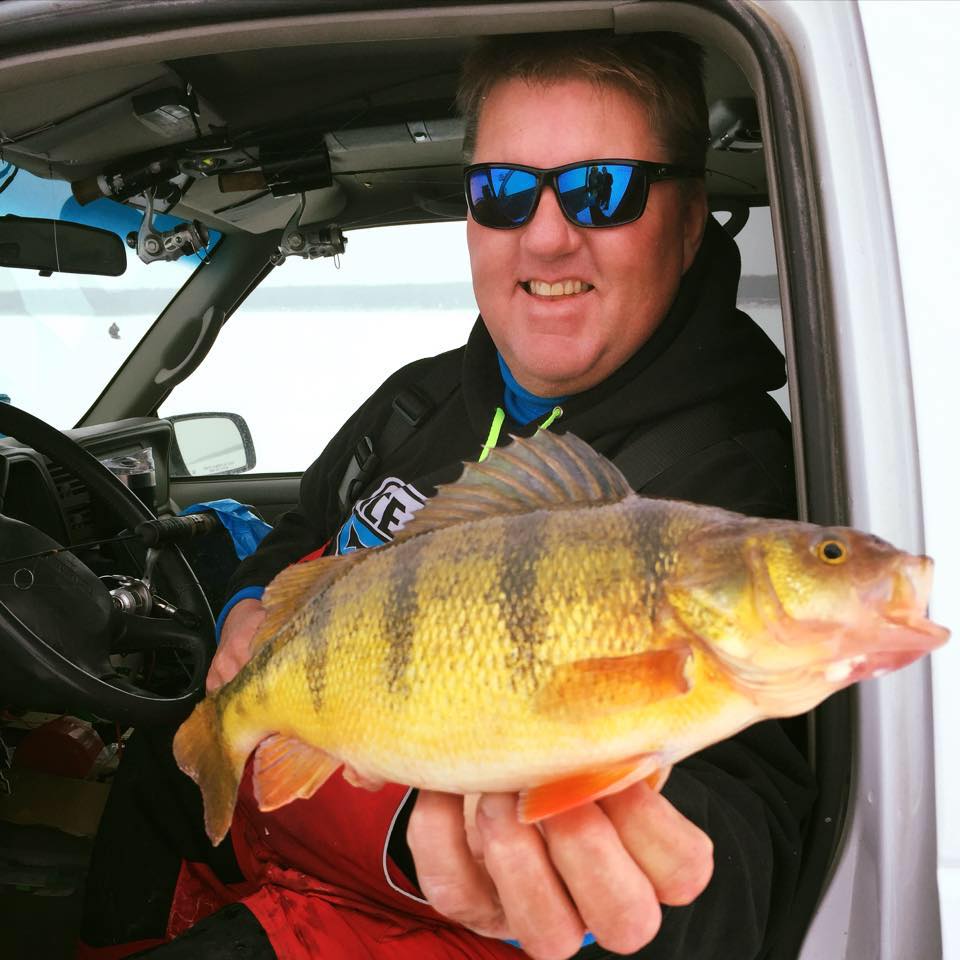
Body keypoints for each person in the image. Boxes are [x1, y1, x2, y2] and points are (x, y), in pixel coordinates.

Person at [80, 30, 816, 960]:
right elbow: (302, 530)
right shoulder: (416, 400)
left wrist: (599, 871)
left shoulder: (737, 494)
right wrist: (248, 606)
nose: (548, 234)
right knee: (159, 759)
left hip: (417, 923)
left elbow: (751, 824)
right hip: (271, 816)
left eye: (605, 188)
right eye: (503, 192)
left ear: (688, 216)